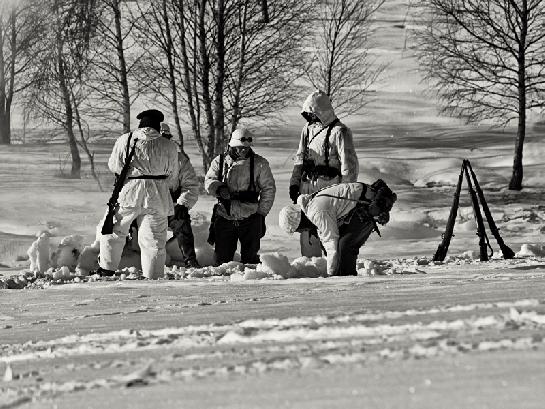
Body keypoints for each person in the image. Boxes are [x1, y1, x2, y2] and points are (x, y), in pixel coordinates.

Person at [98, 109, 180, 279]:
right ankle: (154, 275)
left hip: (130, 190)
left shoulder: (125, 139)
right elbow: (173, 173)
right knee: (155, 239)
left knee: (115, 230)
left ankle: (107, 269)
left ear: (141, 123)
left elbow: (114, 165)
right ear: (158, 124)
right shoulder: (169, 145)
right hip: (158, 193)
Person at [289, 90, 359, 257]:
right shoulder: (307, 130)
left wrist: (344, 198)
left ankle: (333, 271)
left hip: (330, 192)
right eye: (308, 114)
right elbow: (299, 159)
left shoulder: (340, 132)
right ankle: (311, 271)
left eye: (312, 113)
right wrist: (294, 183)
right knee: (308, 236)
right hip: (307, 190)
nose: (310, 118)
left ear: (322, 111)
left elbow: (349, 168)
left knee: (330, 237)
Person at [278, 180, 396, 276]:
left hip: (369, 205)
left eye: (299, 229)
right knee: (342, 246)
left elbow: (331, 243)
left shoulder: (317, 212)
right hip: (365, 202)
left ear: (299, 222)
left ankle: (346, 282)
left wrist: (331, 275)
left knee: (344, 245)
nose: (302, 232)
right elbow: (325, 239)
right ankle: (345, 276)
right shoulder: (311, 205)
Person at [205, 128, 276, 265]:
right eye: (240, 148)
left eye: (246, 148)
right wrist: (219, 188)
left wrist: (261, 213)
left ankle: (252, 284)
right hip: (224, 214)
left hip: (250, 217)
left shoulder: (260, 163)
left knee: (250, 260)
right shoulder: (219, 162)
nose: (244, 150)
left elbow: (269, 189)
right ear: (232, 145)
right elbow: (208, 181)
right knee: (221, 261)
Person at [160, 123, 201, 268]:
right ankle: (129, 257)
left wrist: (183, 204)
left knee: (182, 221)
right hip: (146, 207)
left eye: (165, 138)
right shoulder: (142, 158)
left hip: (171, 207)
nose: (162, 142)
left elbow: (191, 186)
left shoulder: (180, 160)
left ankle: (190, 260)